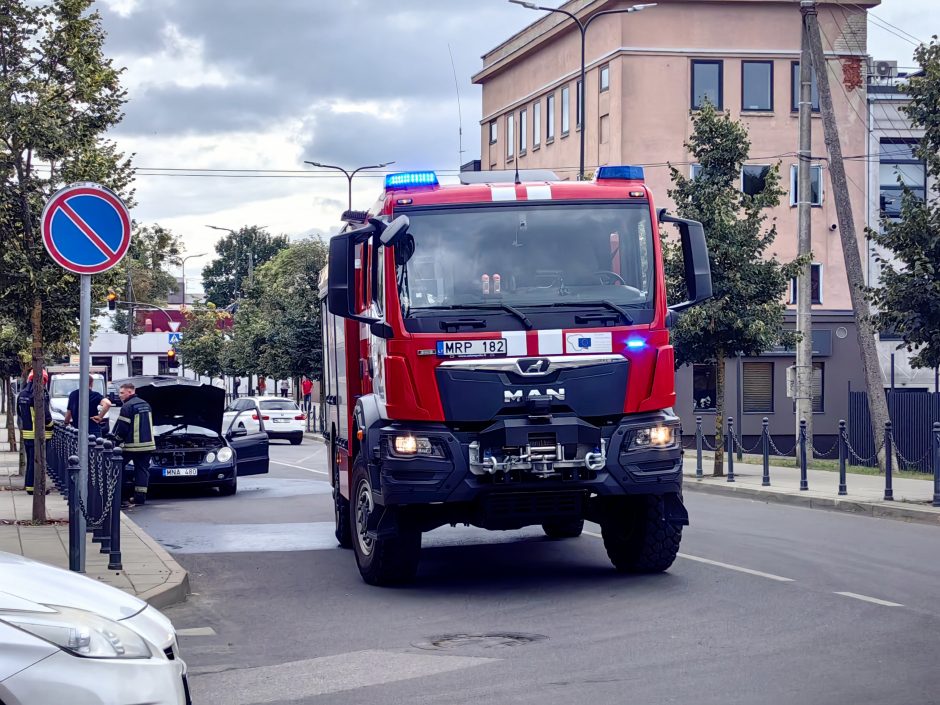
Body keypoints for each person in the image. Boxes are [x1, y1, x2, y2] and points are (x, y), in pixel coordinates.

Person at [111, 382, 156, 506]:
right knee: (142, 471)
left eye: (122, 393)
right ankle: (140, 498)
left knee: (119, 467)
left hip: (132, 446)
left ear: (130, 392)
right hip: (148, 445)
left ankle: (120, 497)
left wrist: (117, 440)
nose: (119, 395)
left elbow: (123, 428)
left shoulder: (127, 406)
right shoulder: (146, 404)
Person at [16, 370, 52, 496]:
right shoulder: (38, 393)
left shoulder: (22, 394)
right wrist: (51, 426)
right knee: (39, 461)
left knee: (31, 460)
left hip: (27, 433)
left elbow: (19, 414)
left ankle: (30, 485)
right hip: (39, 434)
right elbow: (45, 415)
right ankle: (36, 488)